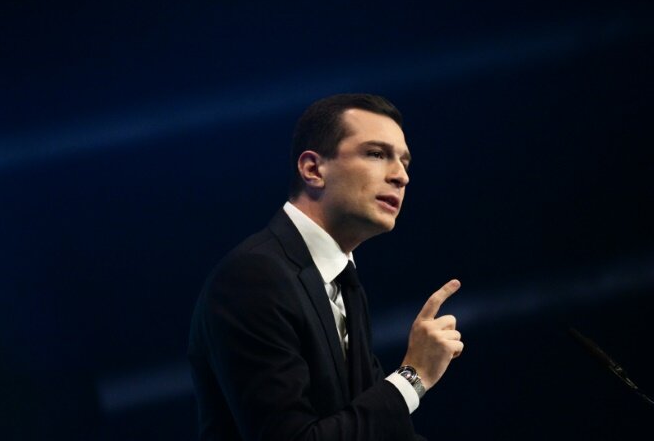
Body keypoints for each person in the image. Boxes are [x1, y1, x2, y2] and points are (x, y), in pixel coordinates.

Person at [188, 93, 463, 440]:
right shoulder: (254, 277)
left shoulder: (341, 282)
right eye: (377, 154)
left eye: (405, 162)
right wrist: (413, 376)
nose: (401, 176)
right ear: (313, 169)